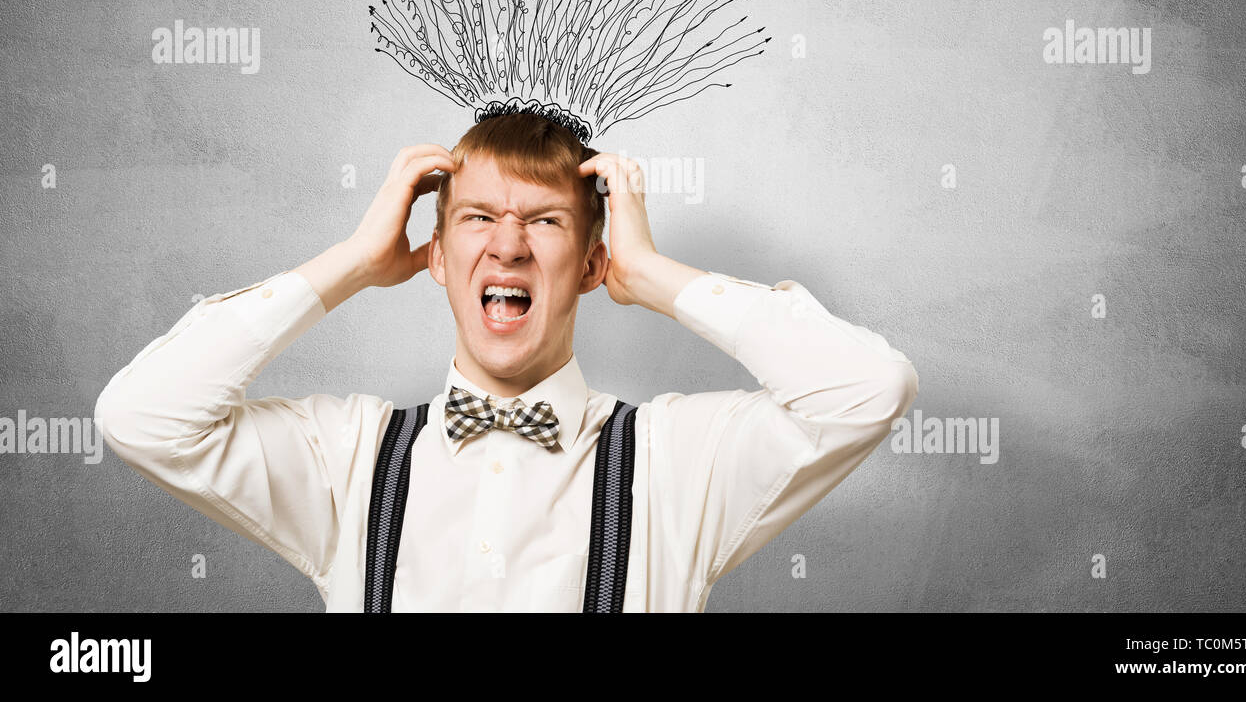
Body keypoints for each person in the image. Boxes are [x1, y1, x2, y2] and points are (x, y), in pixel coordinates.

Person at [94, 111, 919, 612]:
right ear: (438, 259)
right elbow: (140, 417)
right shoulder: (349, 460)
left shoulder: (675, 465)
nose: (508, 246)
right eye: (479, 217)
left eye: (547, 223)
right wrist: (349, 261)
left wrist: (657, 277)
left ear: (595, 268)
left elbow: (866, 391)